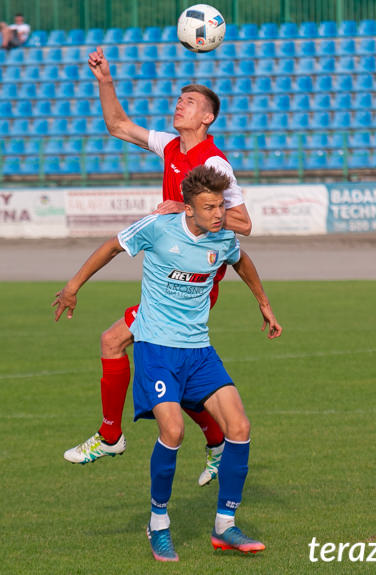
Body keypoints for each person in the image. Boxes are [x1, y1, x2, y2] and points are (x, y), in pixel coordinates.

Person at [53, 165, 282, 561]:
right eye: (209, 207)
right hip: (156, 349)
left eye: (221, 206)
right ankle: (158, 522)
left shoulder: (222, 236)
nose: (218, 213)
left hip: (199, 351)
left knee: (240, 427)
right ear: (188, 210)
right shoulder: (158, 228)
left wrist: (263, 302)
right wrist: (73, 286)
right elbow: (111, 247)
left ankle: (224, 527)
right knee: (173, 431)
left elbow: (241, 259)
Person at [62, 46, 253, 489]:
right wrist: (105, 79)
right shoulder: (169, 145)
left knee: (117, 342)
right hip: (168, 280)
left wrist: (187, 209)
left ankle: (112, 436)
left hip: (195, 283)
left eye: (189, 102)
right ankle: (215, 441)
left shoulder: (214, 163)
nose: (178, 104)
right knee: (168, 371)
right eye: (179, 99)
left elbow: (245, 223)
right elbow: (117, 126)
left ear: (206, 118)